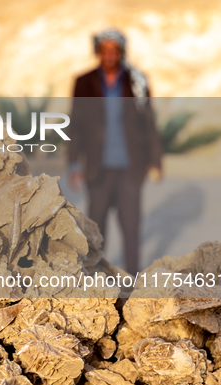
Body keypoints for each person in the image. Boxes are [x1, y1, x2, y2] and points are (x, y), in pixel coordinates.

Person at [67, 28, 163, 275]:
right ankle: (96, 280)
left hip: (131, 167)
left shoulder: (137, 81)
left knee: (131, 227)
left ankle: (132, 280)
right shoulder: (84, 82)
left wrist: (155, 161)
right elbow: (75, 124)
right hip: (98, 168)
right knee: (96, 230)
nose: (110, 54)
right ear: (98, 52)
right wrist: (74, 164)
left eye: (115, 50)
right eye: (105, 50)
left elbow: (148, 121)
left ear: (121, 52)